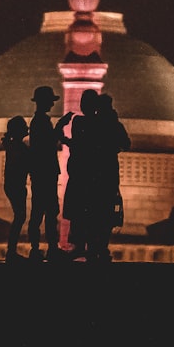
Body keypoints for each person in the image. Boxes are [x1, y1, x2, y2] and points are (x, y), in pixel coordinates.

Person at [87, 92, 131, 263]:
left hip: (93, 173)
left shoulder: (93, 124)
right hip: (109, 172)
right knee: (106, 212)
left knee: (92, 210)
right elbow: (126, 144)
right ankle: (102, 248)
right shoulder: (115, 125)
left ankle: (92, 248)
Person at [27, 85, 68, 262]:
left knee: (45, 212)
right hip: (45, 172)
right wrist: (60, 126)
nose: (52, 104)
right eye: (50, 101)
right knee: (46, 213)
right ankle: (42, 249)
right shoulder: (40, 122)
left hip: (41, 173)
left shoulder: (40, 121)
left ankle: (45, 248)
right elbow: (48, 144)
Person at [59, 88, 99, 259]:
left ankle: (79, 245)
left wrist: (61, 131)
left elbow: (76, 143)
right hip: (92, 174)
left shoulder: (79, 122)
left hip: (80, 174)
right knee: (90, 211)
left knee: (78, 212)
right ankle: (92, 247)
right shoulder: (100, 123)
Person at [1, 115, 30, 263]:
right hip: (16, 185)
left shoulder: (13, 145)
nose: (27, 128)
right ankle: (11, 252)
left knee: (19, 217)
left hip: (14, 185)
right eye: (24, 126)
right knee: (20, 217)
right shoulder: (17, 147)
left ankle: (11, 251)